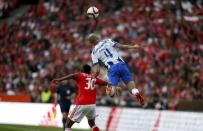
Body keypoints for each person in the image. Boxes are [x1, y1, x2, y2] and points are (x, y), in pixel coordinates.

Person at [88, 33, 145, 105]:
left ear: (91, 43)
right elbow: (121, 46)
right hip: (122, 65)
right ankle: (136, 93)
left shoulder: (94, 52)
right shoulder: (107, 41)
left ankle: (115, 89)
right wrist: (133, 47)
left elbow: (97, 70)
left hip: (112, 69)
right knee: (132, 88)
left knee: (110, 93)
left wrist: (93, 78)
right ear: (97, 37)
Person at [51, 64, 110, 131]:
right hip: (92, 105)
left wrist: (59, 79)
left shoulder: (81, 75)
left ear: (82, 70)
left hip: (82, 103)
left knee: (67, 125)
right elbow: (105, 83)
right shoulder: (93, 78)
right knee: (92, 124)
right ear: (90, 71)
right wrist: (114, 87)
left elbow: (72, 75)